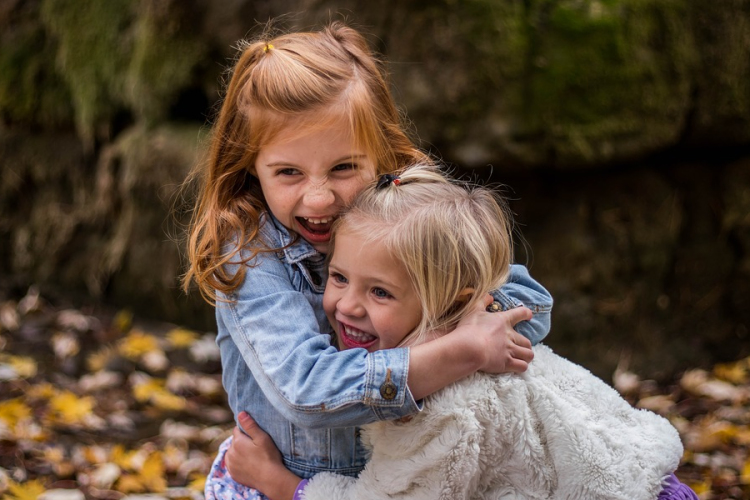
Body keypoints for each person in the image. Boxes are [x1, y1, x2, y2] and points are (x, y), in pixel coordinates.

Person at [182, 22, 553, 500]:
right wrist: (458, 351)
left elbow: (529, 303)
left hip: (403, 481)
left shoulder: (404, 218)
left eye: (343, 168)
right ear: (250, 165)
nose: (318, 199)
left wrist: (442, 332)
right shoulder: (251, 256)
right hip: (286, 484)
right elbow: (308, 391)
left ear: (379, 155)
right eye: (288, 172)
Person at [228, 164, 698, 500]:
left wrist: (283, 486)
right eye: (339, 277)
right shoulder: (481, 333)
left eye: (381, 293)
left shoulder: (449, 407)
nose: (347, 306)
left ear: (452, 302)